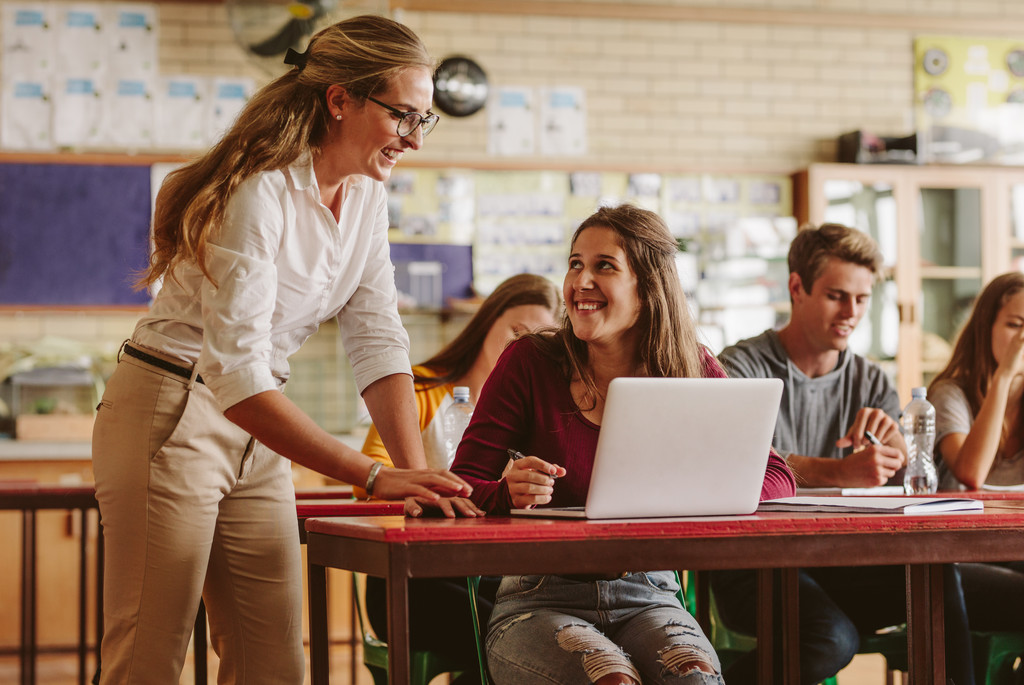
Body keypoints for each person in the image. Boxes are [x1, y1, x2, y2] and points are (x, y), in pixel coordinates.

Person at [90, 16, 472, 685]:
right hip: (172, 407)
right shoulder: (259, 189)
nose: (414, 138)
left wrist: (414, 485)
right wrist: (375, 476)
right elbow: (234, 372)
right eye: (404, 115)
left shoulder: (365, 198)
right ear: (340, 100)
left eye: (425, 120)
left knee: (274, 666)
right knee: (148, 657)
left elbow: (378, 337)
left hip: (256, 421)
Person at [450, 204, 795, 685]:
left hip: (651, 594)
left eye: (603, 266)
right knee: (609, 679)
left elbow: (777, 475)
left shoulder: (688, 367)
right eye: (575, 264)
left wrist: (714, 487)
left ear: (648, 288)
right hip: (538, 597)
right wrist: (506, 494)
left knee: (694, 678)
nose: (580, 282)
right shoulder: (529, 361)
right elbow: (458, 485)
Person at [708, 222, 974, 684]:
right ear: (797, 287)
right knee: (831, 638)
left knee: (935, 579)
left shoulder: (871, 380)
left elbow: (897, 482)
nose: (851, 311)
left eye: (863, 299)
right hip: (752, 567)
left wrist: (893, 456)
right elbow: (738, 465)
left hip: (838, 559)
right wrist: (841, 471)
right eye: (836, 295)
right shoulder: (740, 366)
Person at [359, 272, 561, 684]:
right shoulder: (420, 390)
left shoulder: (534, 413)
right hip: (415, 578)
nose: (518, 348)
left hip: (496, 576)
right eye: (515, 331)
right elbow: (372, 480)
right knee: (530, 641)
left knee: (546, 629)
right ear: (486, 321)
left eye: (534, 342)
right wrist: (420, 493)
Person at [930, 271, 1024, 634]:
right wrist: (1003, 377)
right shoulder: (951, 394)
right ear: (985, 328)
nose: (1021, 339)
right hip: (959, 555)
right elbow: (972, 473)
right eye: (1014, 324)